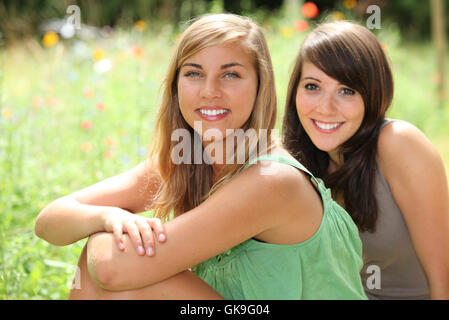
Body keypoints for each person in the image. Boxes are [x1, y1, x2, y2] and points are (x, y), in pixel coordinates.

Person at [35, 13, 367, 300]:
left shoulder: (272, 180)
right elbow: (49, 221)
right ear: (176, 85)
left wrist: (100, 230)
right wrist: (107, 218)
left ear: (260, 86)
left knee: (128, 285)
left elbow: (111, 269)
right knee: (107, 265)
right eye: (194, 73)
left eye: (231, 74)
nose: (210, 90)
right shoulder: (188, 158)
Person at [281, 20, 449, 299]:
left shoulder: (398, 144)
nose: (325, 107)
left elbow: (443, 279)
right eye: (312, 86)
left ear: (372, 96)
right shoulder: (297, 164)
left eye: (347, 91)